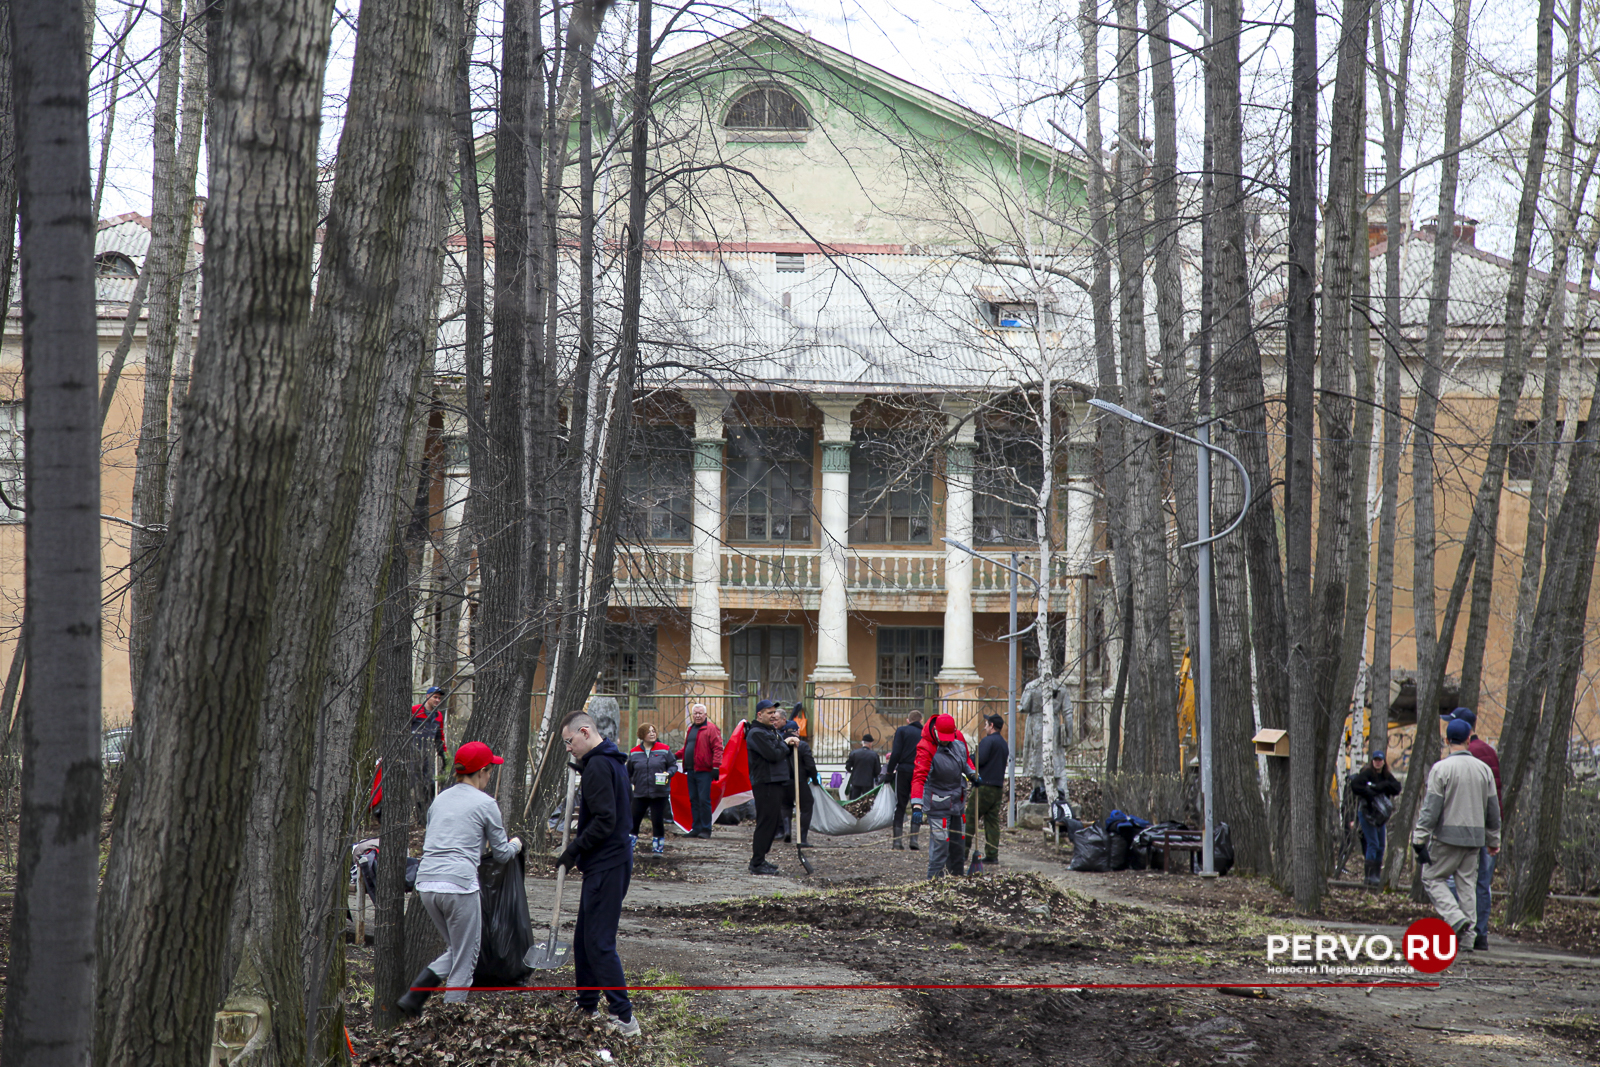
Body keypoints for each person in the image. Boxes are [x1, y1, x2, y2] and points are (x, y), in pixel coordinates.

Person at [398, 741, 521, 1017]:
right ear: (481, 772)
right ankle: (452, 1020)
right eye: (490, 771)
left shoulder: (440, 799)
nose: (490, 777)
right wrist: (517, 844)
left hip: (427, 884)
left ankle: (415, 995)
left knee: (458, 948)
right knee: (467, 955)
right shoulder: (486, 803)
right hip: (460, 886)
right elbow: (501, 854)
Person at [556, 711, 639, 1037]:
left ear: (585, 732)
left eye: (569, 741)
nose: (568, 748)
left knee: (599, 942)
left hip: (608, 863)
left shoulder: (600, 767)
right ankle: (587, 1005)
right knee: (583, 939)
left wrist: (574, 850)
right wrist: (584, 769)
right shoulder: (609, 762)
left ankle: (625, 1018)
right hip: (609, 862)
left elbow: (605, 820)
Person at [1412, 716, 1501, 951]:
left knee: (1431, 877)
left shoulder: (1441, 768)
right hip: (1475, 839)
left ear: (1447, 739)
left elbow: (1431, 808)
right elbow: (1493, 810)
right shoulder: (1484, 770)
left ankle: (1454, 917)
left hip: (1447, 837)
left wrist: (1420, 838)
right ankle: (1469, 937)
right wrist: (1493, 840)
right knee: (1467, 885)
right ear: (1468, 739)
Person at [1447, 707, 1501, 950]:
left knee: (1457, 881)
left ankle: (1460, 930)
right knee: (1482, 884)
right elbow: (1494, 797)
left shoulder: (1466, 756)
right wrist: (1493, 834)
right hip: (1484, 828)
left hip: (1464, 828)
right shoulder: (1489, 752)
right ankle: (1481, 933)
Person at [910, 713, 978, 879]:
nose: (947, 741)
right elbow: (919, 777)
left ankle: (956, 878)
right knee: (941, 844)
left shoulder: (958, 738)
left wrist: (973, 774)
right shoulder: (925, 747)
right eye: (943, 737)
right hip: (937, 802)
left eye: (950, 737)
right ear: (935, 730)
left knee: (958, 842)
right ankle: (934, 880)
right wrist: (917, 806)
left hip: (957, 801)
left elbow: (965, 759)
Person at [745, 699, 798, 875]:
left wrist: (785, 743)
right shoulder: (756, 733)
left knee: (773, 822)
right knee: (766, 822)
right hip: (765, 782)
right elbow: (773, 754)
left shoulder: (769, 731)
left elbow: (778, 749)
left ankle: (761, 859)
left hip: (775, 781)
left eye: (774, 712)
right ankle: (757, 863)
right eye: (769, 712)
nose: (773, 715)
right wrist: (785, 743)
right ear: (759, 714)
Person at [1349, 749, 1401, 885]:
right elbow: (1355, 786)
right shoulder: (1366, 774)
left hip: (1380, 816)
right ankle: (1369, 876)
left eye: (1380, 760)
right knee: (1373, 843)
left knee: (1381, 845)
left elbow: (1397, 787)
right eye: (1376, 760)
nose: (1378, 763)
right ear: (1372, 761)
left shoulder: (1386, 776)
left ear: (1384, 762)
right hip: (1367, 813)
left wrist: (1381, 786)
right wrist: (1369, 792)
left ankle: (1376, 875)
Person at [627, 723, 677, 855]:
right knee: (634, 820)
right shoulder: (634, 752)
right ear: (642, 735)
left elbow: (673, 765)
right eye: (649, 732)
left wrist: (668, 774)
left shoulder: (664, 750)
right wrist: (634, 782)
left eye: (654, 731)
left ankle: (657, 849)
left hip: (659, 793)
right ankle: (628, 847)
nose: (652, 733)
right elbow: (628, 772)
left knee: (657, 820)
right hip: (640, 792)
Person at [676, 702, 724, 838]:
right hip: (691, 770)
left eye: (700, 713)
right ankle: (696, 828)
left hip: (704, 771)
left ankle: (706, 829)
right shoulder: (691, 729)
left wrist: (715, 766)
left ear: (705, 715)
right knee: (694, 800)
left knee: (704, 800)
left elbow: (718, 748)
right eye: (695, 713)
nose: (697, 716)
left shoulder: (711, 729)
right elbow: (687, 748)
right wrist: (674, 755)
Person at [968, 714, 1008, 867]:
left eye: (986, 723)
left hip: (983, 786)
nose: (984, 726)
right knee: (992, 822)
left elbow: (980, 759)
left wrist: (969, 759)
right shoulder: (1003, 744)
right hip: (997, 787)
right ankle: (992, 854)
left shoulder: (987, 741)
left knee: (970, 818)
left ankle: (962, 852)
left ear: (991, 725)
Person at [885, 709, 924, 850]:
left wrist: (889, 772)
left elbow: (896, 753)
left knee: (900, 805)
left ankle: (897, 842)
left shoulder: (902, 731)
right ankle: (914, 840)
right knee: (917, 804)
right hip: (919, 772)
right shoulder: (925, 734)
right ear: (921, 721)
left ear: (908, 720)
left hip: (903, 771)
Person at [409, 686, 448, 809]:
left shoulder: (438, 716)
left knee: (429, 783)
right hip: (412, 753)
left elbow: (439, 737)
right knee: (410, 782)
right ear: (427, 697)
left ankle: (426, 811)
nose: (437, 700)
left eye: (439, 698)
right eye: (435, 697)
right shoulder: (415, 710)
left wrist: (444, 755)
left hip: (427, 754)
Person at [781, 719, 818, 846]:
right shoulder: (802, 745)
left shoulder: (779, 744)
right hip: (799, 782)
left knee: (785, 806)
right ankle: (802, 838)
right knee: (807, 805)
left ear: (785, 731)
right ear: (797, 731)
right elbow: (810, 764)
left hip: (783, 782)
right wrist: (814, 778)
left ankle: (787, 831)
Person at [843, 733, 882, 800]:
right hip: (868, 782)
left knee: (854, 802)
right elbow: (878, 770)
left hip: (856, 781)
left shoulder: (854, 753)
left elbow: (848, 766)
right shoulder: (874, 755)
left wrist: (853, 772)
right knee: (866, 803)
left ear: (862, 742)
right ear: (870, 743)